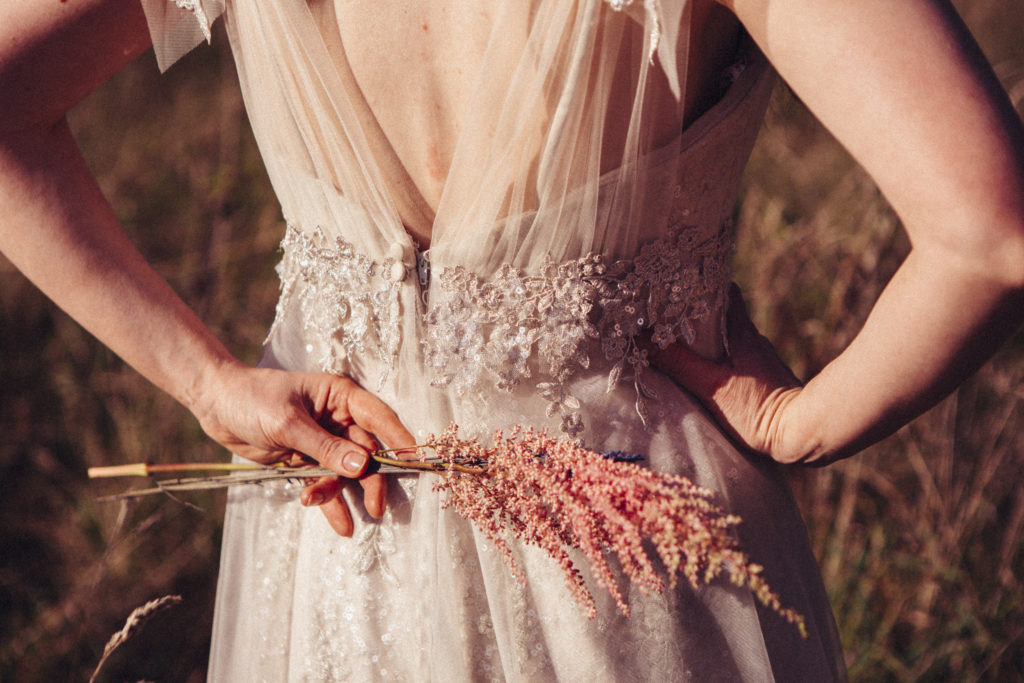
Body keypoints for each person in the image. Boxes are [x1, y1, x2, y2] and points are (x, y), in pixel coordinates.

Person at [1, 0, 1021, 679]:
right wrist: (801, 423)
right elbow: (989, 233)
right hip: (638, 538)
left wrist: (206, 380)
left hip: (344, 538)